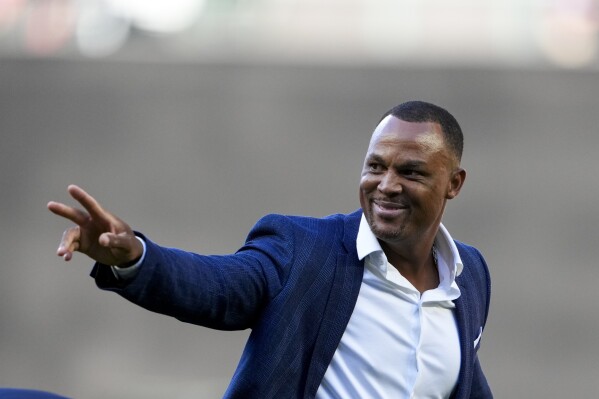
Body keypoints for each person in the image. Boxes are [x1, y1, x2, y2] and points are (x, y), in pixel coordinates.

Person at [48, 100, 492, 398]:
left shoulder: (468, 275)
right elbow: (217, 287)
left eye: (411, 172)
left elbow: (463, 380)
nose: (386, 185)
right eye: (375, 166)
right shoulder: (304, 250)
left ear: (454, 183)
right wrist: (135, 257)